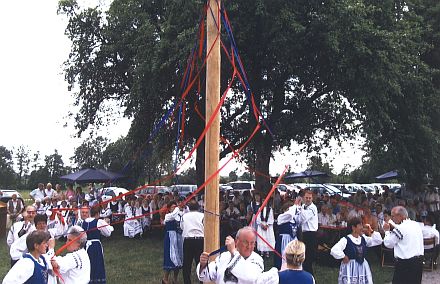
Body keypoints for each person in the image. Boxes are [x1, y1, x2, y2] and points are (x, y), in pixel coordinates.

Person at [197, 226, 264, 283]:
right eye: (245, 242)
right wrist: (203, 265)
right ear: (236, 241)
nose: (249, 246)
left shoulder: (257, 259)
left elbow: (250, 278)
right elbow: (207, 276)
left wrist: (234, 252)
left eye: (252, 243)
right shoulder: (223, 257)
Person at [330, 217, 383, 283]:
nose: (362, 227)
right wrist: (343, 256)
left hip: (362, 267)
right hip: (350, 267)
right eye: (360, 225)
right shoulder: (346, 239)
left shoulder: (363, 238)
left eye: (362, 225)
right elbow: (334, 250)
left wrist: (371, 231)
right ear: (353, 227)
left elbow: (378, 241)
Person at [383, 206, 424, 284]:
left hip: (405, 264)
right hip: (418, 262)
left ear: (400, 216)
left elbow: (388, 244)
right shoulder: (416, 224)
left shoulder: (400, 229)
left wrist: (387, 231)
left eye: (392, 216)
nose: (391, 219)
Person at [81, 206, 114, 284]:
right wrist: (108, 225)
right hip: (95, 246)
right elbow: (108, 233)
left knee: (88, 264)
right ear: (97, 213)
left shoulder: (84, 222)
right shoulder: (98, 222)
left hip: (86, 246)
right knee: (97, 264)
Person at [181, 199, 204, 284]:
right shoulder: (202, 215)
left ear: (189, 207)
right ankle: (202, 281)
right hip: (200, 240)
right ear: (198, 207)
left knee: (187, 263)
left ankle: (187, 282)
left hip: (188, 240)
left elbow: (182, 226)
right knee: (201, 262)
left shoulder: (184, 216)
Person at [296, 190, 318, 275]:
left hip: (311, 234)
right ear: (303, 198)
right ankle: (304, 274)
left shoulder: (313, 208)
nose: (308, 199)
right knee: (304, 256)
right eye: (306, 198)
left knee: (309, 257)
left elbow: (304, 218)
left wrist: (299, 207)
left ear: (312, 198)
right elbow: (299, 220)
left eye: (310, 198)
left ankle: (310, 277)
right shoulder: (303, 206)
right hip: (304, 234)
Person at [274, 201, 300, 270]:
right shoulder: (281, 217)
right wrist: (295, 206)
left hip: (293, 240)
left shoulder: (294, 219)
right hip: (284, 240)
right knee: (284, 256)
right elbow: (290, 214)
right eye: (289, 209)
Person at [163, 201, 184, 284]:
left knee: (179, 257)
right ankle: (165, 279)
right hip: (170, 238)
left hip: (178, 237)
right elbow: (173, 215)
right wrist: (177, 208)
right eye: (173, 207)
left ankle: (175, 279)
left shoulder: (178, 215)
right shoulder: (168, 216)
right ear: (169, 208)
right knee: (170, 257)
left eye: (175, 206)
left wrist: (183, 208)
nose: (175, 208)